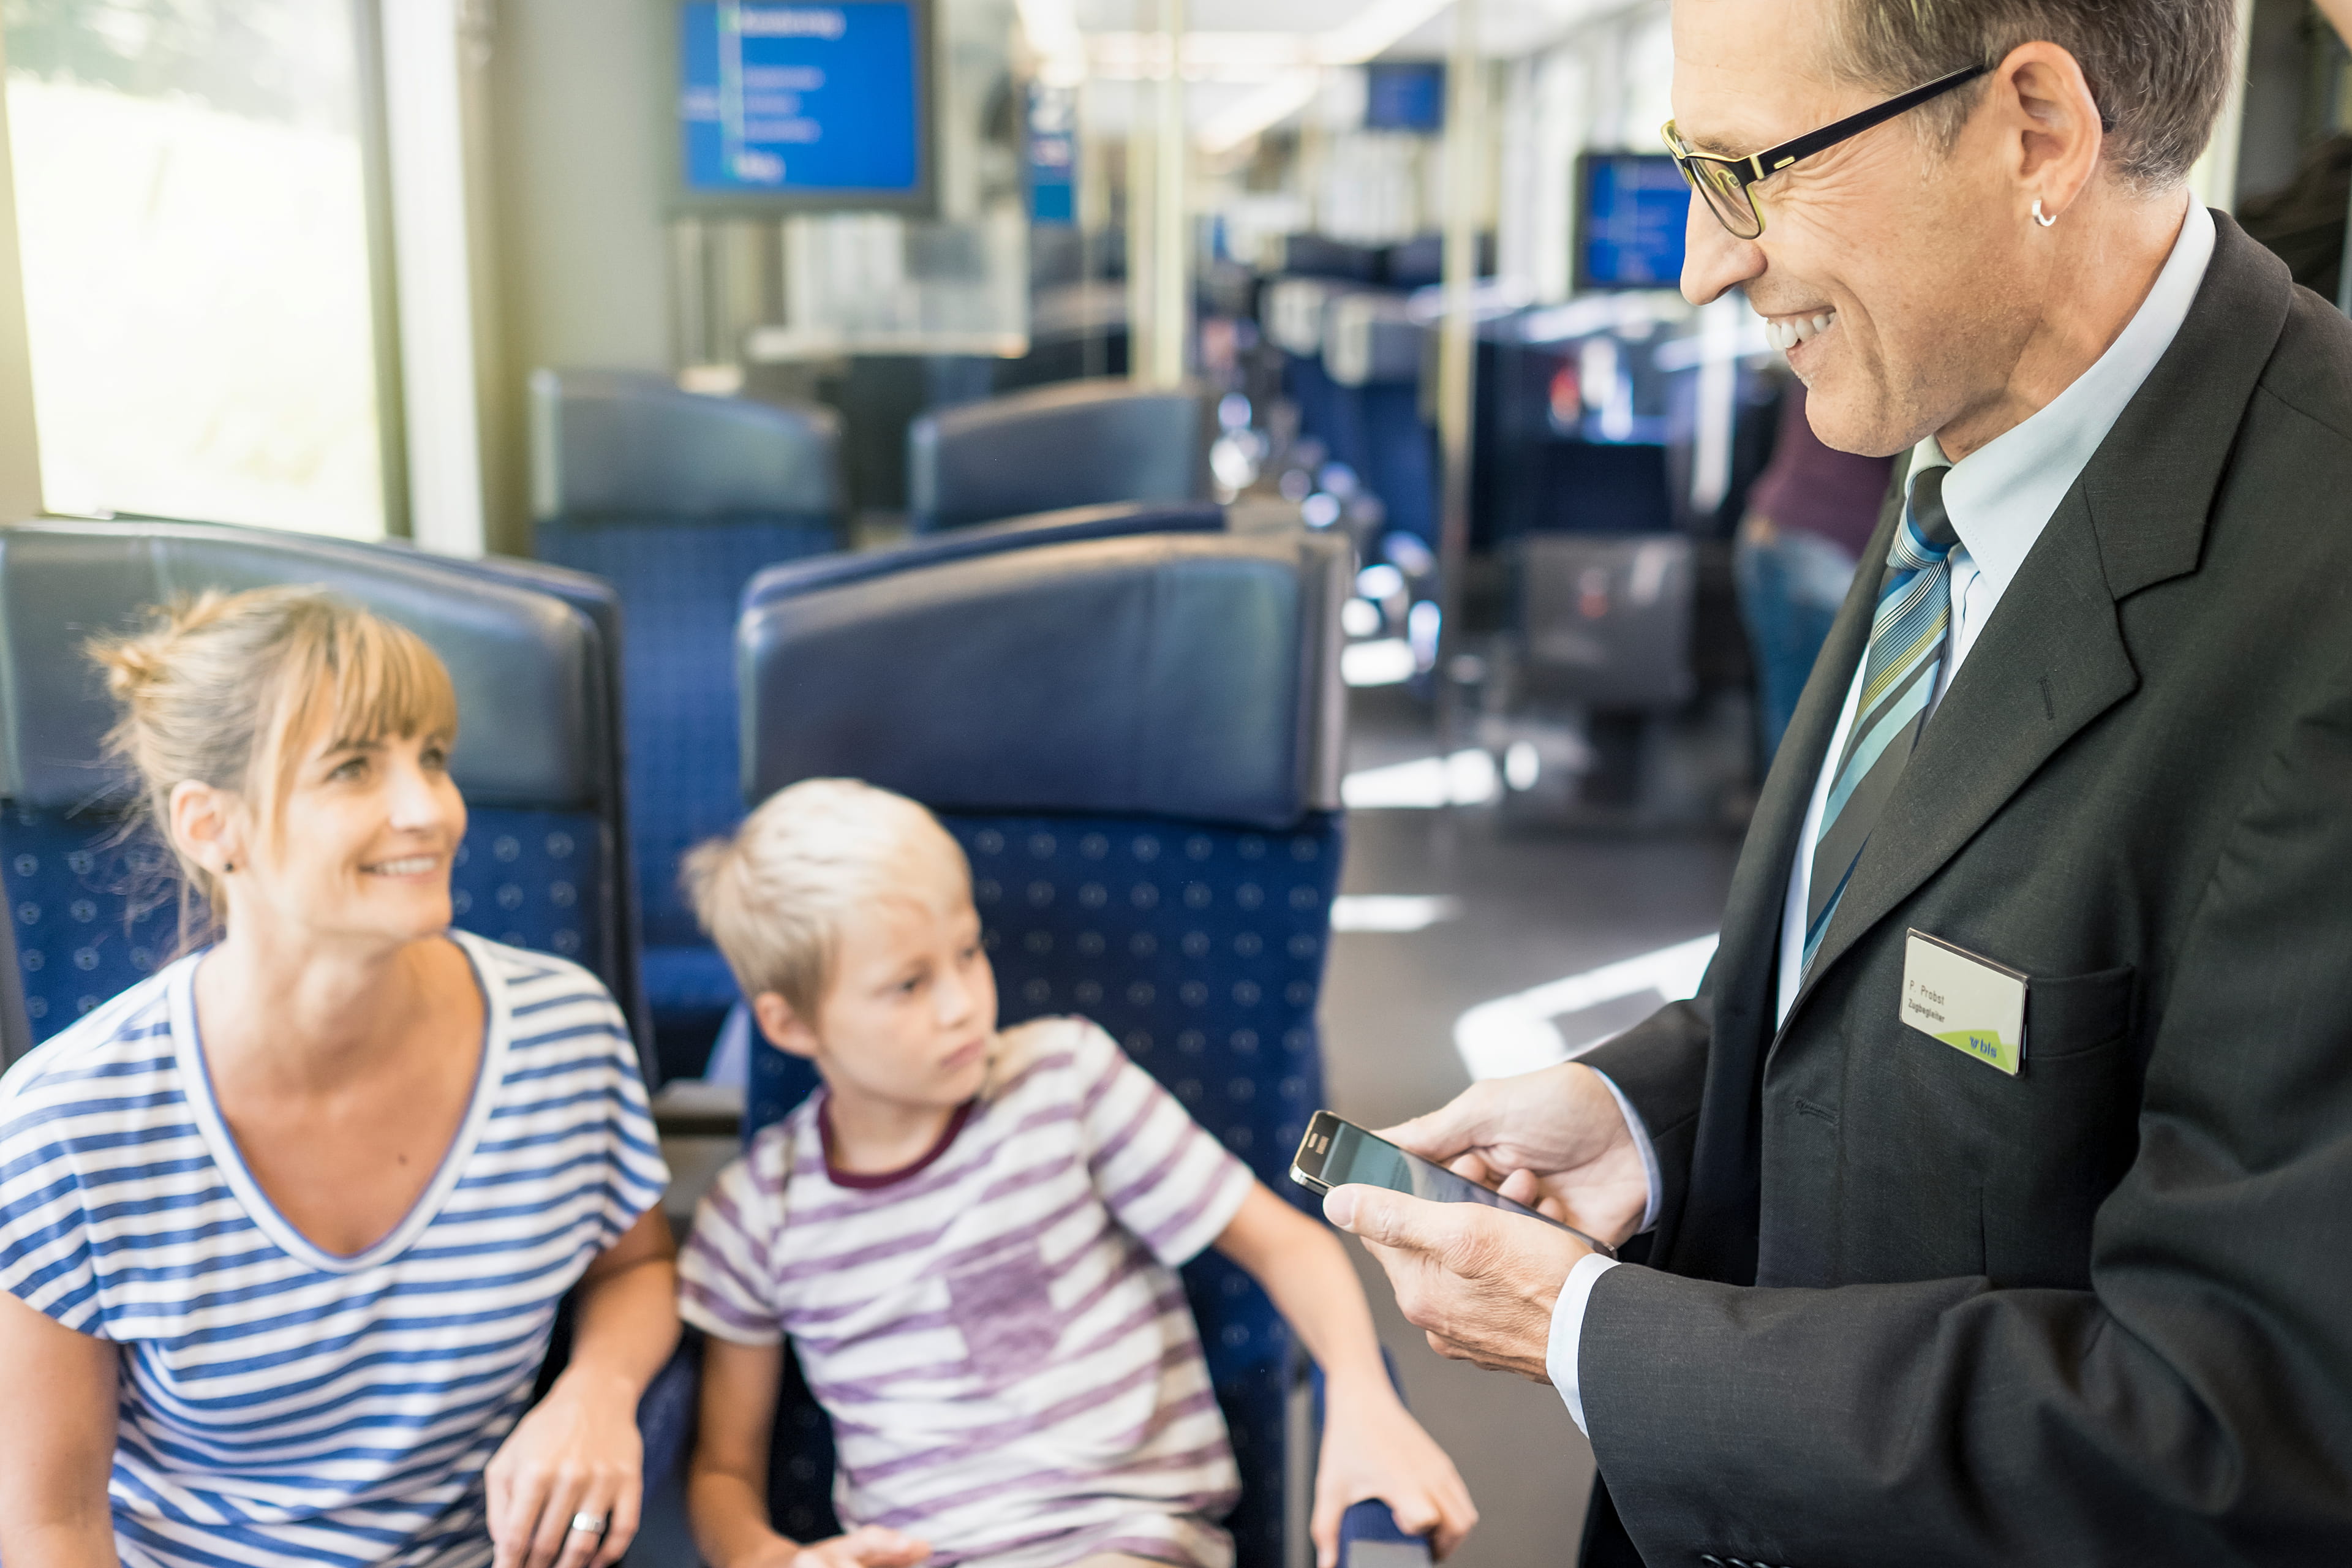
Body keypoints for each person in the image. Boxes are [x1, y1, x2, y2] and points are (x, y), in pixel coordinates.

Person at [1317, 2, 2352, 1564]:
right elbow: (1879, 972)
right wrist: (1645, 1113)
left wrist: (1594, 1334)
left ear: (2033, 133)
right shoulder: (1963, 423)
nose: (1700, 261)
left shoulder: (2317, 599)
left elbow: (2231, 1417)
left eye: (1752, 172)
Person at [0, 589, 679, 1568]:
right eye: (354, 768)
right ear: (209, 825)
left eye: (433, 758)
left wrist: (596, 1392)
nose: (430, 810)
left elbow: (639, 1269)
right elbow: (49, 1526)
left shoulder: (562, 1029)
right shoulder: (64, 1127)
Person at [672, 780, 1476, 1568]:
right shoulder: (756, 1214)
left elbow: (1286, 1249)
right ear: (789, 1022)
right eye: (909, 985)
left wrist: (1363, 1400)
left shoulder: (1063, 1081)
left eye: (967, 951)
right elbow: (722, 1473)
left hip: (1127, 1541)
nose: (961, 1004)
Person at [1732, 382, 1895, 761]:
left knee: (1790, 715)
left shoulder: (1824, 334)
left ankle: (1782, 819)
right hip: (1833, 543)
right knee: (1837, 731)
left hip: (1768, 528)